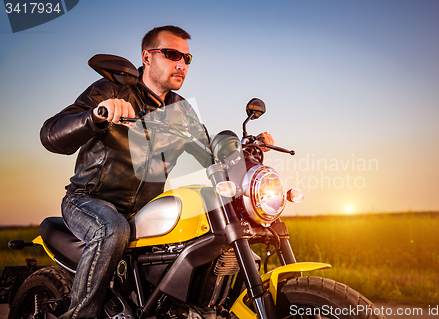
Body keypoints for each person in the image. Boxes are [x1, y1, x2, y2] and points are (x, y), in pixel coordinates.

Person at [40, 25, 273, 319]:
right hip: (90, 200)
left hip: (143, 210)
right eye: (172, 54)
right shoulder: (112, 89)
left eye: (187, 58)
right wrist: (96, 115)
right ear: (147, 57)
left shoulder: (182, 111)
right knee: (113, 229)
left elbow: (210, 156)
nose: (181, 64)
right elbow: (50, 135)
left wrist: (245, 151)